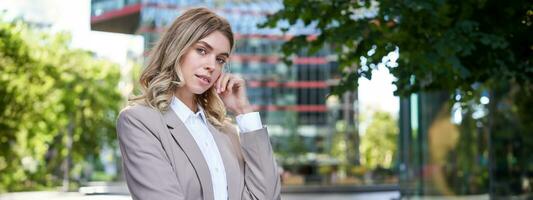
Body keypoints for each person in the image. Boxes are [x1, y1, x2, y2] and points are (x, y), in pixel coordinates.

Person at [116, 7, 281, 200]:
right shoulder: (139, 122)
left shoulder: (226, 132)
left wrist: (244, 111)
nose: (212, 65)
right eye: (202, 50)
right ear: (177, 49)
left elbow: (268, 196)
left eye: (220, 59)